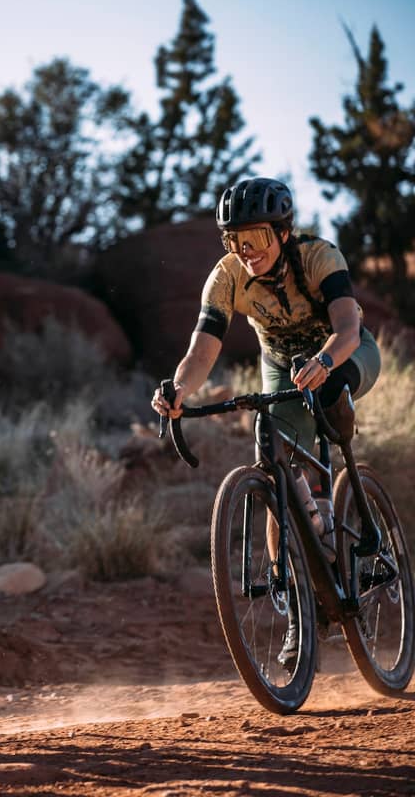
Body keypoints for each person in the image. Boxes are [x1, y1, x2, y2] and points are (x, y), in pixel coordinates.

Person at [151, 176, 382, 663]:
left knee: (333, 390)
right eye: (234, 239)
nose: (245, 249)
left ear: (281, 232)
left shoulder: (319, 256)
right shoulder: (227, 275)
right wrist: (179, 389)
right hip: (281, 362)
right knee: (278, 473)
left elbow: (347, 327)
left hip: (342, 350)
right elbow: (202, 347)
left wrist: (325, 361)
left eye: (254, 237)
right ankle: (300, 616)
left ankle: (355, 513)